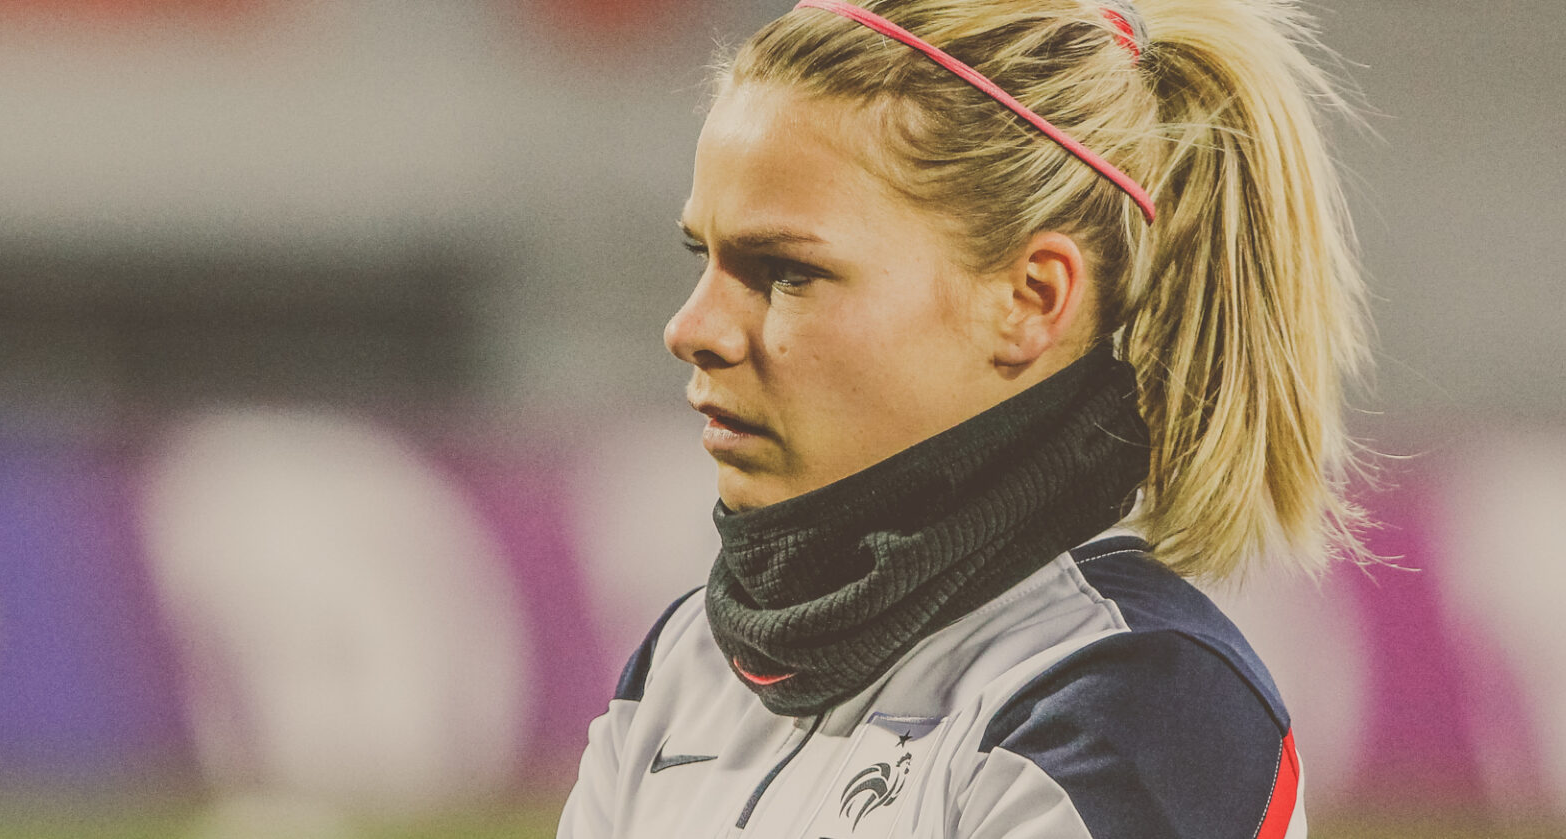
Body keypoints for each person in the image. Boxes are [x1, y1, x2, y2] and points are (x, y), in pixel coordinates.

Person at [559, 0, 1370, 835]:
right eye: (705, 256)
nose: (692, 329)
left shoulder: (1138, 703)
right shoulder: (686, 663)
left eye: (785, 271)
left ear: (1030, 300)